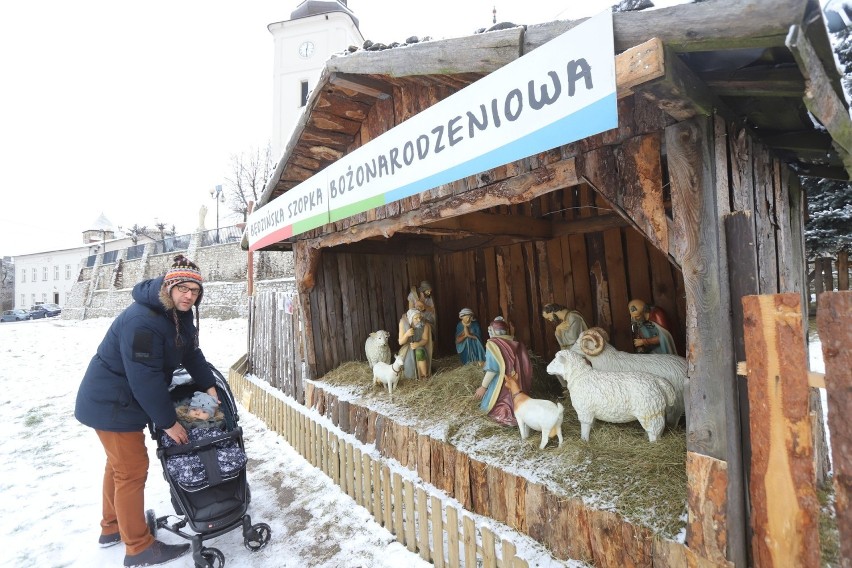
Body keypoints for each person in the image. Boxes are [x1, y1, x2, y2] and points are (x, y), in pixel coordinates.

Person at [75, 254, 219, 568]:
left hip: (121, 399)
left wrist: (209, 385)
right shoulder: (143, 320)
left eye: (194, 291)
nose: (188, 296)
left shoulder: (180, 314)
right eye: (182, 288)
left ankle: (111, 527)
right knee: (130, 470)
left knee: (118, 467)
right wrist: (168, 423)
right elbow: (145, 378)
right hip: (112, 402)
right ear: (169, 286)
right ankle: (139, 547)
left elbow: (191, 351)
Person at [162, 392, 247, 489]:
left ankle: (211, 473)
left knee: (234, 453)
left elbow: (226, 441)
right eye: (194, 409)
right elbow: (169, 441)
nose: (197, 413)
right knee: (178, 463)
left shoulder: (215, 425)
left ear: (211, 415)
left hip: (214, 453)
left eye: (204, 411)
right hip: (187, 454)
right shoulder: (179, 425)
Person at [474, 317, 533, 426]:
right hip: (517, 381)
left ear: (492, 330)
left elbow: (492, 369)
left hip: (502, 383)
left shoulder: (493, 344)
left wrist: (483, 387)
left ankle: (504, 415)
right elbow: (526, 365)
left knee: (495, 405)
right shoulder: (516, 342)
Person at [397, 308, 433, 379]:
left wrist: (418, 344)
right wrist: (406, 335)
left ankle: (424, 376)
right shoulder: (403, 323)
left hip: (419, 345)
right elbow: (400, 342)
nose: (419, 320)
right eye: (416, 318)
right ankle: (411, 376)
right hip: (408, 348)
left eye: (419, 317)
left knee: (420, 352)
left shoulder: (424, 324)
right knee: (406, 363)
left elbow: (425, 339)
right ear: (411, 319)